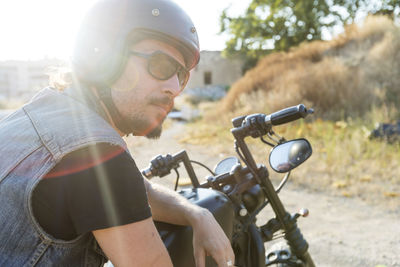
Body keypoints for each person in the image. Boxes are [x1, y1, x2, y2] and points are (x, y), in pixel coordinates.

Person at [0, 0, 235, 266]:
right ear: (104, 60)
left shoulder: (39, 114)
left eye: (181, 76)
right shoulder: (95, 152)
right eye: (161, 65)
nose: (174, 88)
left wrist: (197, 214)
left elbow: (141, 189)